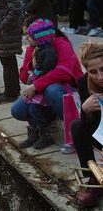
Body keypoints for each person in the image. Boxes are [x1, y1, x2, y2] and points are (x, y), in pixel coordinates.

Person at [11, 18, 83, 151]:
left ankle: (74, 130)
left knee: (52, 91)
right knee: (17, 110)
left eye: (28, 34)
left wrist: (37, 85)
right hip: (41, 89)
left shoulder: (60, 44)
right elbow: (24, 76)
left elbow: (64, 72)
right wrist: (31, 66)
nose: (26, 38)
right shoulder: (33, 49)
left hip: (65, 88)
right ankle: (41, 130)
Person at [16, 19, 60, 149]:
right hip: (36, 84)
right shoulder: (39, 49)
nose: (27, 38)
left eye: (30, 36)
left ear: (40, 38)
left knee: (36, 109)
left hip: (42, 87)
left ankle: (45, 134)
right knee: (31, 108)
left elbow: (47, 70)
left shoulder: (49, 52)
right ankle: (34, 134)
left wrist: (36, 76)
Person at [71, 42, 103, 208]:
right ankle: (94, 177)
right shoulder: (84, 82)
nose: (100, 77)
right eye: (93, 72)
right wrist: (86, 110)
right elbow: (88, 122)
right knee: (77, 126)